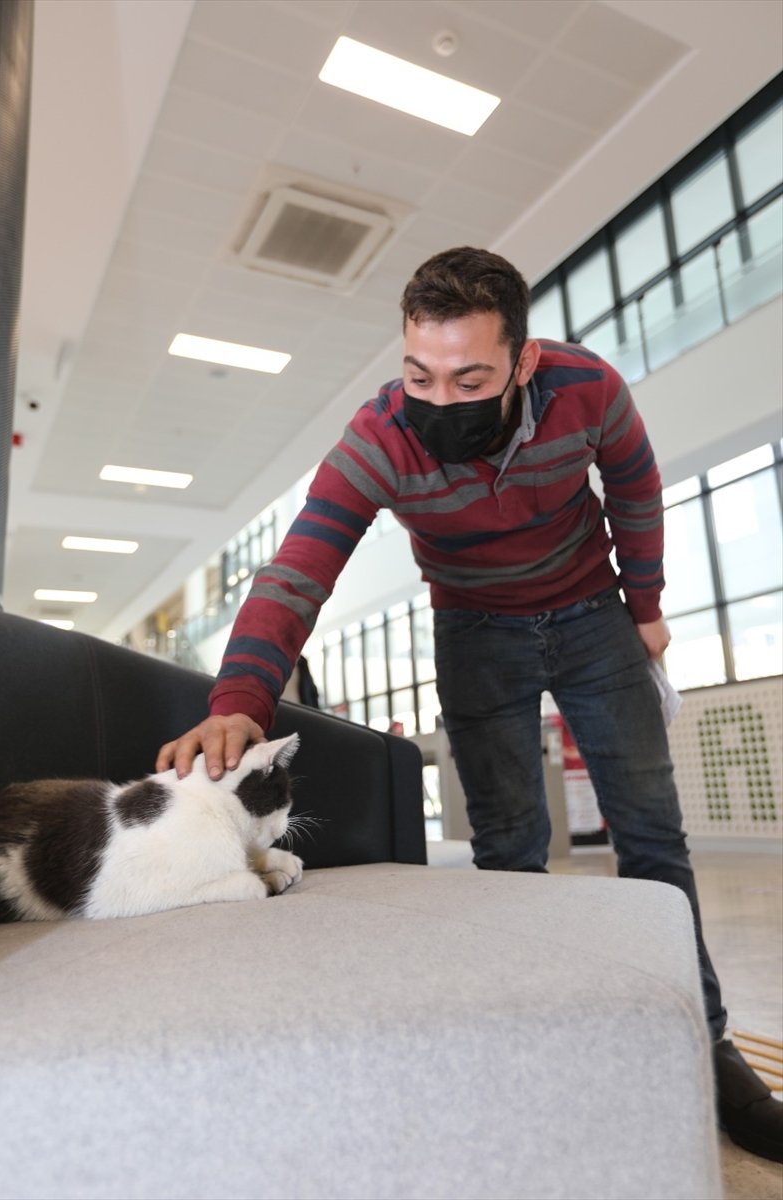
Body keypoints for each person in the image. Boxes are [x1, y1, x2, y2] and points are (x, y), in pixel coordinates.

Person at [157, 246, 782, 1162]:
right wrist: (241, 697)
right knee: (508, 855)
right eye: (420, 374)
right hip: (474, 633)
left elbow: (638, 490)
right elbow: (299, 567)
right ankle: (534, 1039)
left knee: (652, 842)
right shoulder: (380, 436)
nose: (439, 399)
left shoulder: (587, 389)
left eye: (469, 377)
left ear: (522, 363)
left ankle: (708, 1040)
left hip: (591, 615)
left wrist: (645, 612)